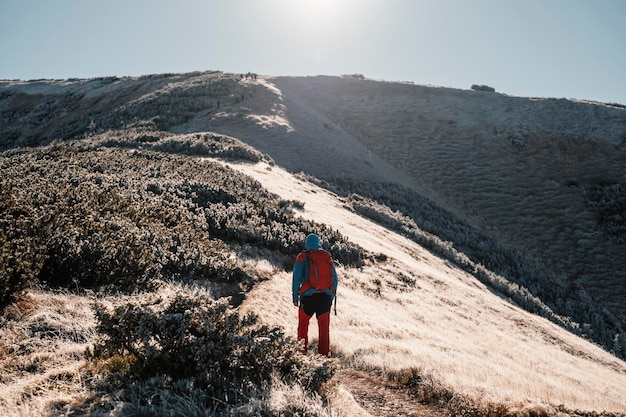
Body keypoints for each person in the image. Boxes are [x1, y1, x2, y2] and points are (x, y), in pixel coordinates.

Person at [292, 233, 338, 356]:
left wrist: (295, 298)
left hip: (308, 297)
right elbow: (335, 278)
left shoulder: (302, 256)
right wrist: (331, 296)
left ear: (307, 243)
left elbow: (296, 278)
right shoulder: (326, 256)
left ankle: (301, 354)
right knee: (324, 329)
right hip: (325, 298)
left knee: (303, 325)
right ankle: (324, 358)